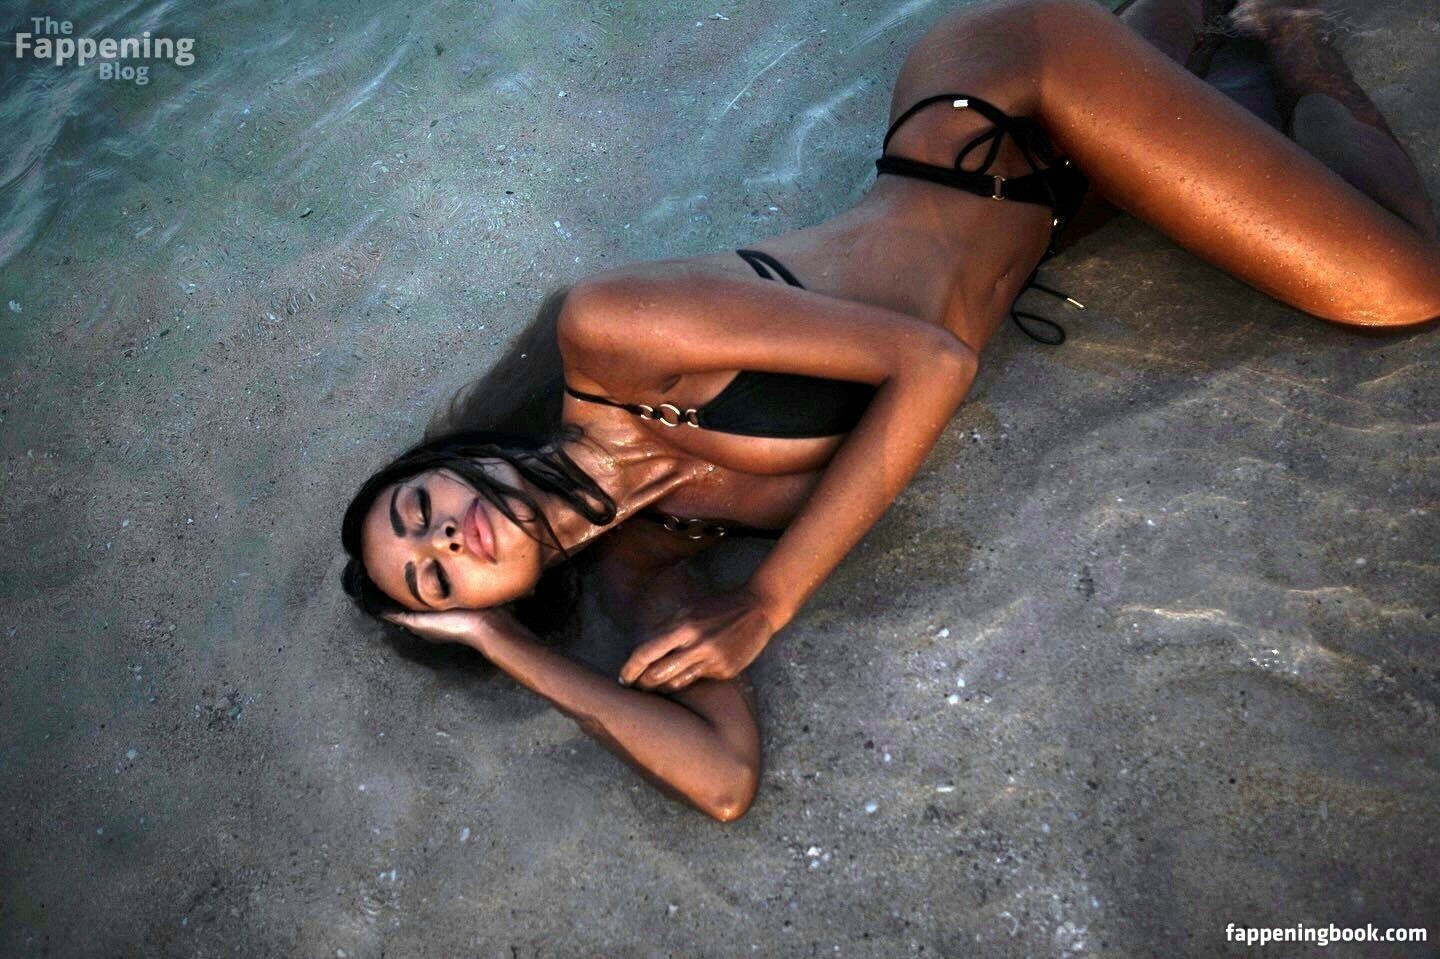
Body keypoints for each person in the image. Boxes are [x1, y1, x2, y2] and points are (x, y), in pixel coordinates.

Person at [339, 0, 1440, 822]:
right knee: (1191, 84)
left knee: (1405, 286)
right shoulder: (648, 554)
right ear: (500, 602)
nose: (445, 538)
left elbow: (933, 359)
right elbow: (723, 779)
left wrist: (768, 597)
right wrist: (504, 649)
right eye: (437, 579)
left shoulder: (613, 334)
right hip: (1042, 220)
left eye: (416, 509)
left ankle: (1294, 30)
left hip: (1003, 100)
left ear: (446, 459)